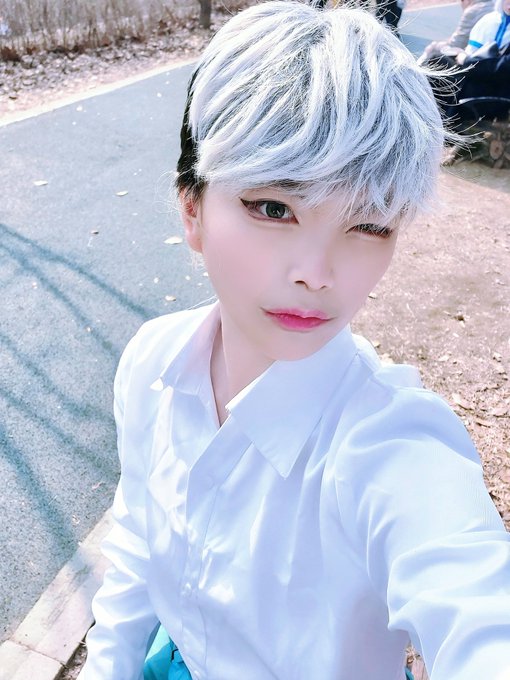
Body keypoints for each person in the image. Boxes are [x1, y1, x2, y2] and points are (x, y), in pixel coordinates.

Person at [79, 2, 510, 679]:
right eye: (274, 207)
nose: (318, 272)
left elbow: (476, 606)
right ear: (193, 210)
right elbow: (137, 535)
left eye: (369, 225)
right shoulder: (151, 364)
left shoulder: (386, 443)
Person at [416, 0, 494, 65]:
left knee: (433, 50)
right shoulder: (495, 5)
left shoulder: (473, 11)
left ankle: (417, 72)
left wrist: (435, 46)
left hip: (474, 60)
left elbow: (456, 45)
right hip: (492, 56)